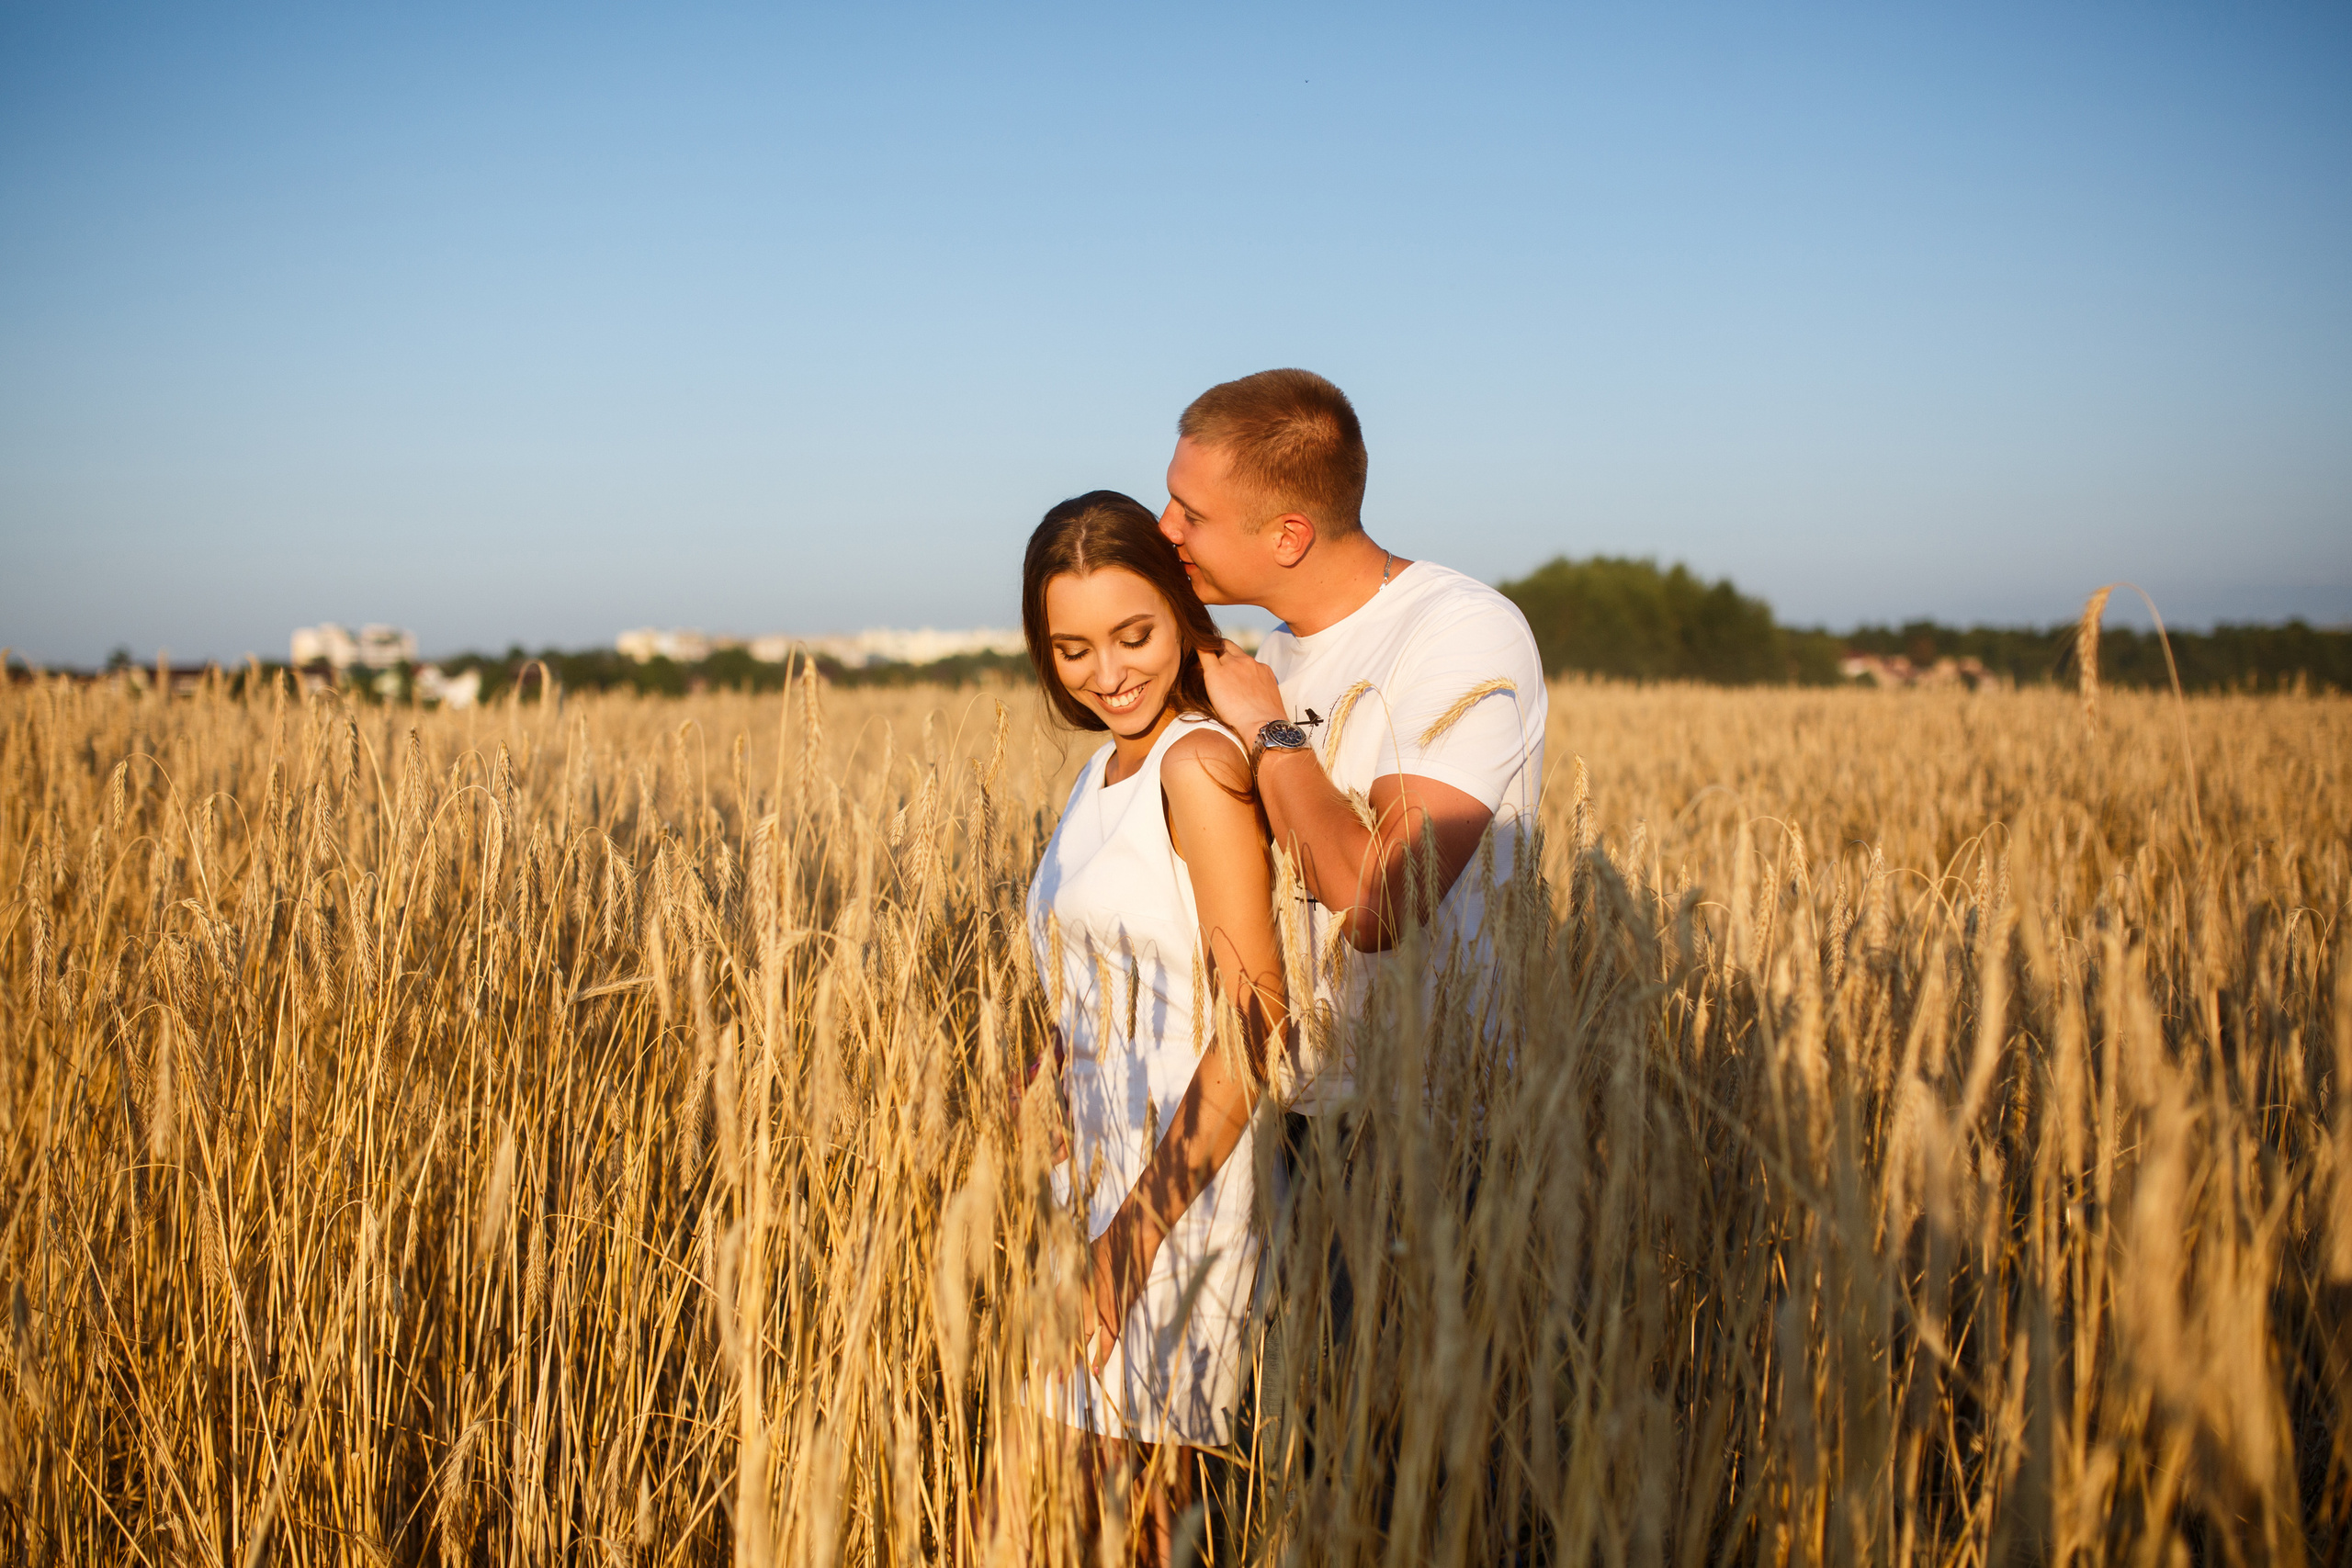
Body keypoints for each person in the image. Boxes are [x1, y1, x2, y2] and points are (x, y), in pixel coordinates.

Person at [1159, 368, 1547, 1111]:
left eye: (1190, 512)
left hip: (1430, 1117)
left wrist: (1268, 732)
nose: (1165, 528)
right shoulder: (1269, 659)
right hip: (1289, 1103)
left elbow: (1379, 904)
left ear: (1288, 535)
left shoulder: (1461, 631)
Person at [1017, 491, 1285, 1562]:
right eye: (1072, 648)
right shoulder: (1105, 767)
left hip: (1173, 1211)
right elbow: (1096, 977)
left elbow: (1254, 1020)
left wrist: (1126, 1249)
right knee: (1048, 1533)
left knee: (1124, 1537)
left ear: (1180, 613)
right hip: (1088, 1198)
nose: (1108, 672)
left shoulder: (1194, 766)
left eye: (1133, 635)